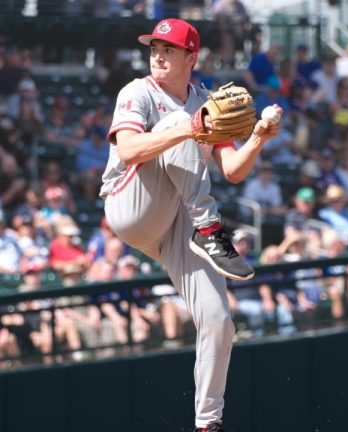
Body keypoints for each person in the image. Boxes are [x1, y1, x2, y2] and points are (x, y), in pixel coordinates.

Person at [101, 18, 283, 432]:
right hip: (131, 206)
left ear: (191, 57)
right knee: (177, 127)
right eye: (154, 49)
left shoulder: (203, 99)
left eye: (168, 49)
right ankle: (209, 227)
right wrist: (190, 127)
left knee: (219, 320)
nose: (158, 55)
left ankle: (208, 423)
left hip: (176, 218)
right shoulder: (138, 91)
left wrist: (257, 137)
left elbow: (233, 171)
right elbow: (129, 149)